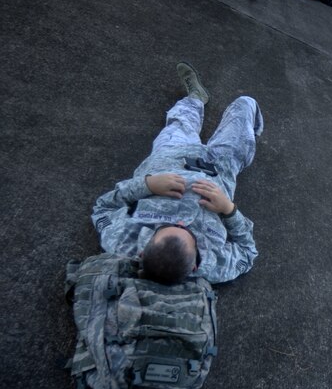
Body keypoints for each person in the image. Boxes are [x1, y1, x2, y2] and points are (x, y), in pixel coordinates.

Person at [92, 62, 263, 284]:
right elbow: (248, 252)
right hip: (220, 167)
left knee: (180, 119)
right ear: (194, 266)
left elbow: (103, 207)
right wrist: (228, 210)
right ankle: (252, 132)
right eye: (189, 234)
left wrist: (148, 185)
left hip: (170, 155)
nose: (181, 223)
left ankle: (196, 97)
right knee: (246, 104)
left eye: (167, 227)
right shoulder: (213, 266)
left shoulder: (122, 242)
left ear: (143, 252)